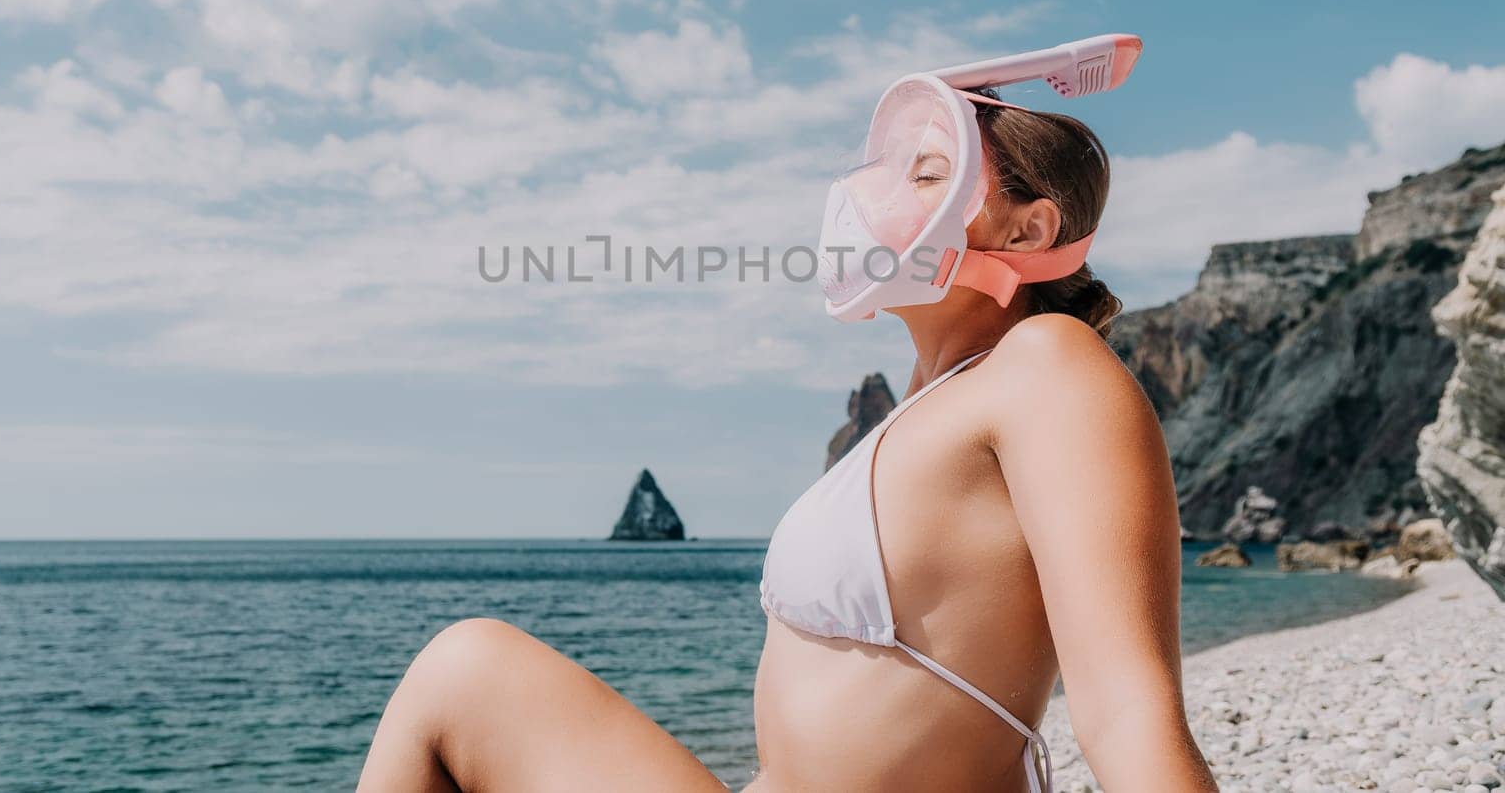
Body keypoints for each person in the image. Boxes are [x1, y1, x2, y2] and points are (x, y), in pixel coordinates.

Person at [357, 68, 1218, 792]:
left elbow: (1126, 710)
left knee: (464, 667)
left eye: (926, 174)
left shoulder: (1047, 363)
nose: (875, 196)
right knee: (464, 670)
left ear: (1027, 227)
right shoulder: (928, 403)